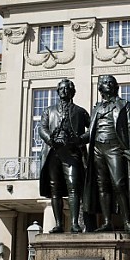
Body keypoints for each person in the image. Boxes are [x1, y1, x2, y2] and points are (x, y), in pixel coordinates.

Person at [83, 74, 130, 233]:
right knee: (102, 186)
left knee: (119, 183)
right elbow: (90, 132)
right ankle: (107, 221)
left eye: (110, 82)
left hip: (115, 147)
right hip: (97, 149)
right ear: (100, 88)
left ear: (116, 87)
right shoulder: (97, 108)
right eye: (104, 82)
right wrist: (76, 140)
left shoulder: (124, 104)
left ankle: (126, 221)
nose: (107, 84)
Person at [38, 79, 90, 233]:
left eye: (67, 88)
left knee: (73, 186)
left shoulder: (80, 111)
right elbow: (42, 128)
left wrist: (79, 139)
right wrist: (50, 139)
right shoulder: (49, 111)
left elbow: (92, 131)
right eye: (61, 88)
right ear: (58, 91)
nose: (64, 91)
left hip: (72, 153)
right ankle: (58, 224)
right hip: (53, 152)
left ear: (73, 92)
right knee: (55, 189)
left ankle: (74, 223)